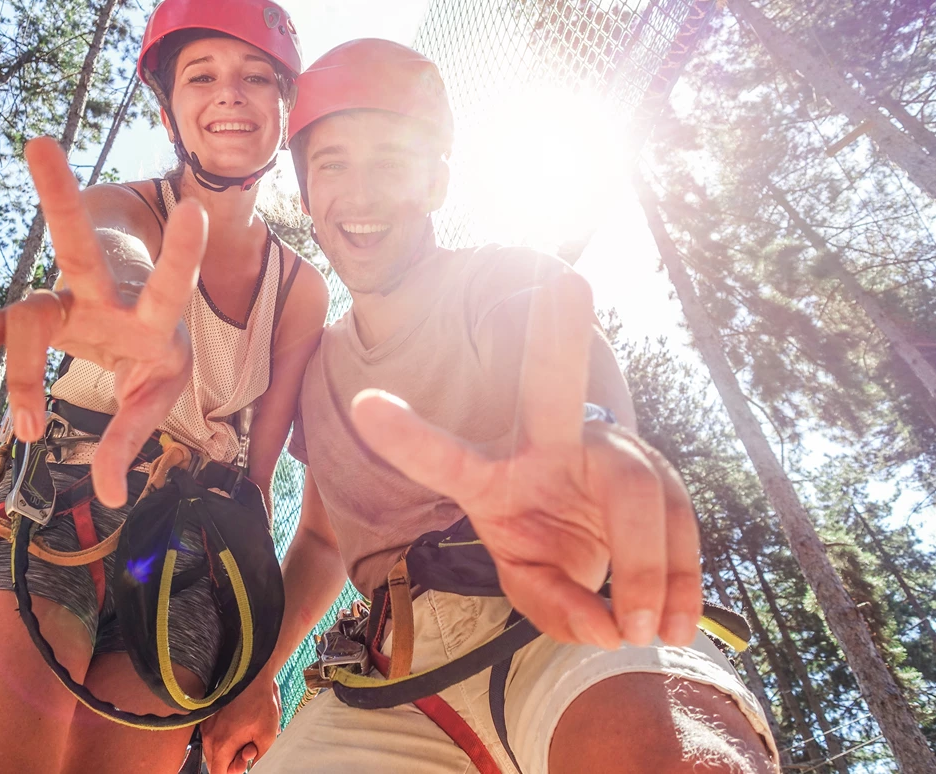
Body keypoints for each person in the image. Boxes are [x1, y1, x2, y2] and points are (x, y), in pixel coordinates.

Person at [202, 39, 780, 774]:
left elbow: (552, 354)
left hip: (566, 624)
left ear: (437, 181)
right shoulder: (317, 371)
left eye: (391, 160)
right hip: (393, 675)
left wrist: (587, 444)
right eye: (332, 164)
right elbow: (319, 538)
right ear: (310, 196)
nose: (361, 191)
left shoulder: (501, 279)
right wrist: (256, 678)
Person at [0, 2, 328, 772]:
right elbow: (116, 256)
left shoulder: (298, 290)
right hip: (58, 508)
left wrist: (255, 655)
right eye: (201, 75)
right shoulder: (125, 206)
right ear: (169, 111)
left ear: (282, 104)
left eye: (255, 76)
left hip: (194, 554)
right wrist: (138, 313)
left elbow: (262, 481)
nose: (229, 93)